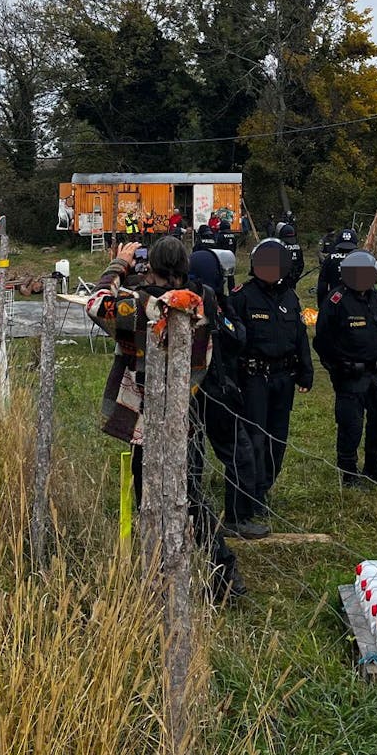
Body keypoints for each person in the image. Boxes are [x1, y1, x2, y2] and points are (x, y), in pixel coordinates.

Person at [86, 237, 246, 599]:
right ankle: (219, 572)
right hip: (185, 408)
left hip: (145, 414)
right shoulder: (202, 300)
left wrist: (120, 264)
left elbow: (96, 303)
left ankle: (169, 570)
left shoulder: (139, 306)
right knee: (188, 490)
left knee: (154, 494)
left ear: (150, 266)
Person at [228, 239, 314, 511]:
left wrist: (305, 372)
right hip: (253, 379)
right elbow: (231, 342)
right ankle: (251, 495)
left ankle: (264, 485)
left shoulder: (290, 297)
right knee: (254, 438)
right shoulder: (242, 296)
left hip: (284, 378)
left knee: (278, 439)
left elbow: (300, 336)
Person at [188, 249, 267, 540]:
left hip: (192, 393)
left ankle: (189, 514)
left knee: (193, 458)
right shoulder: (209, 305)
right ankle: (238, 517)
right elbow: (238, 337)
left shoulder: (186, 300)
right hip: (215, 392)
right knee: (239, 454)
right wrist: (225, 304)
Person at [315, 250, 377, 487]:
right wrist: (336, 369)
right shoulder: (336, 300)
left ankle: (373, 467)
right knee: (351, 424)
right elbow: (322, 340)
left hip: (373, 372)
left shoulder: (373, 297)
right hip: (348, 374)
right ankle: (349, 473)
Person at [316, 227, 358, 301]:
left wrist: (322, 304)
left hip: (336, 297)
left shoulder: (330, 258)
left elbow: (322, 285)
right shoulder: (361, 258)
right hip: (356, 299)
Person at [276, 221, 305, 286]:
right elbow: (301, 264)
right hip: (293, 279)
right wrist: (295, 276)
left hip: (281, 281)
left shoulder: (280, 247)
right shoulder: (298, 247)